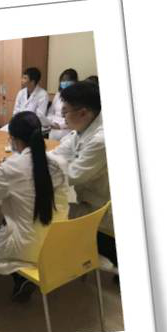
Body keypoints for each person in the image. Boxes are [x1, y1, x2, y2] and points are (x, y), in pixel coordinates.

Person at [0, 111, 70, 302]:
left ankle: (20, 276)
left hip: (28, 248)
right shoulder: (60, 162)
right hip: (59, 242)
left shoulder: (13, 167)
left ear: (14, 139)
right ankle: (22, 278)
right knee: (13, 214)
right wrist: (7, 169)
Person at [49, 81, 117, 271]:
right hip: (90, 203)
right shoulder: (82, 130)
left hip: (102, 218)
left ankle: (47, 263)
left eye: (65, 112)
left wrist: (28, 173)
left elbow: (72, 175)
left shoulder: (101, 139)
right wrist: (26, 161)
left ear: (83, 113)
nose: (63, 117)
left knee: (40, 212)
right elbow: (57, 153)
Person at [43, 68, 79, 141]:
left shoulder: (77, 96)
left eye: (68, 80)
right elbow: (51, 112)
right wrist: (49, 122)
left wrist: (60, 126)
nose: (65, 82)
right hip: (53, 127)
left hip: (68, 131)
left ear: (74, 81)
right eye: (63, 80)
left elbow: (76, 119)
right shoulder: (58, 94)